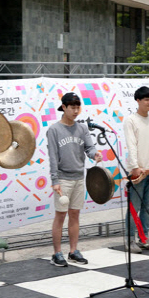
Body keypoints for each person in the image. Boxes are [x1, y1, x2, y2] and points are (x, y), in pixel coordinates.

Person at [47, 92, 102, 267]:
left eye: (78, 107)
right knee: (60, 215)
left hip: (79, 177)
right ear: (63, 107)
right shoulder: (54, 130)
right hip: (63, 178)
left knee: (75, 214)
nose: (76, 110)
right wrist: (55, 180)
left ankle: (73, 250)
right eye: (72, 107)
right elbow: (53, 157)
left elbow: (89, 147)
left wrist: (95, 154)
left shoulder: (82, 128)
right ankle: (57, 253)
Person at [123, 86, 149, 253]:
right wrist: (134, 167)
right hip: (138, 172)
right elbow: (131, 144)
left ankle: (144, 238)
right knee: (134, 207)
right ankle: (129, 240)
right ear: (138, 101)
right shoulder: (131, 120)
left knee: (147, 207)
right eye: (146, 99)